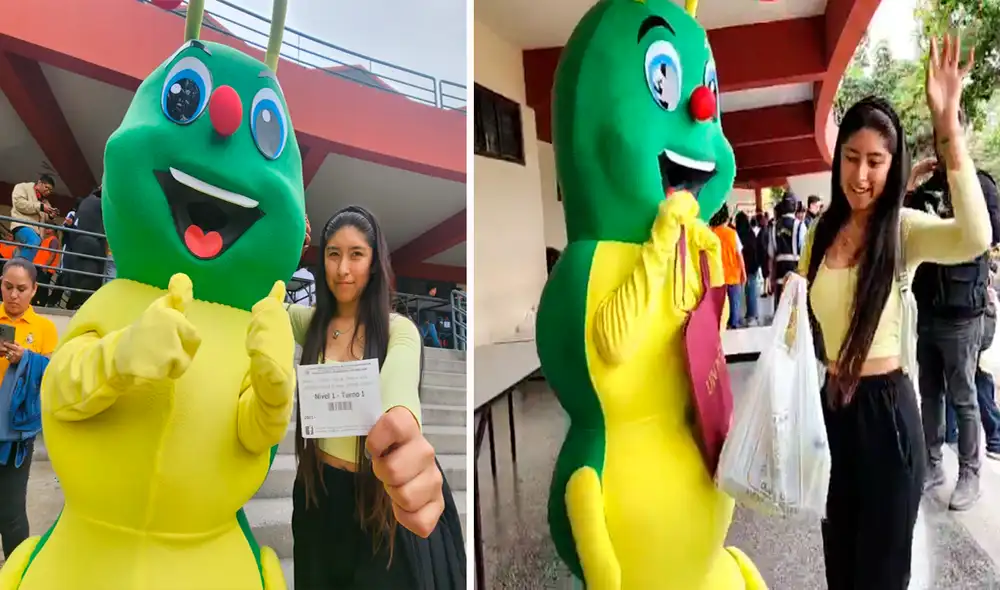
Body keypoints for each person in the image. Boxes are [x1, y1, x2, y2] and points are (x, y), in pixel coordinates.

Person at [795, 35, 987, 588]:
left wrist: (948, 128)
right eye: (851, 159)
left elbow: (975, 236)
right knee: (842, 569)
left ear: (893, 163)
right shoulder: (819, 233)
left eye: (876, 162)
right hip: (833, 413)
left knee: (880, 575)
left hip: (888, 417)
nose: (860, 176)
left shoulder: (902, 231)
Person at [289, 206, 465, 588]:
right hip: (318, 496)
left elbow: (399, 401)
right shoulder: (311, 323)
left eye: (356, 254)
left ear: (374, 263)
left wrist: (403, 431)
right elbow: (256, 303)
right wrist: (285, 244)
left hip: (379, 501)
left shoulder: (398, 330)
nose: (343, 269)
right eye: (333, 254)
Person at [906, 123, 1000, 508]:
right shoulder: (925, 190)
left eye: (949, 137)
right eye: (939, 139)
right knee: (929, 393)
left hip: (963, 311)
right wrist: (911, 185)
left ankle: (969, 473)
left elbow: (990, 232)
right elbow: (899, 224)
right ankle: (931, 465)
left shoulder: (981, 185)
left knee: (963, 396)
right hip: (927, 307)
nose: (943, 147)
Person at [0, 258, 58, 559]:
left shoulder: (44, 328)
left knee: (11, 512)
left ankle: (16, 569)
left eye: (21, 289)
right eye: (7, 287)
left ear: (34, 290)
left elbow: (50, 375)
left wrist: (25, 360)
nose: (13, 295)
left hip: (16, 436)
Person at [709, 204, 746, 329]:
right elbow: (739, 255)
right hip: (733, 275)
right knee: (734, 303)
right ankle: (733, 324)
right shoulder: (732, 233)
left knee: (719, 305)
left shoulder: (711, 233)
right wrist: (744, 273)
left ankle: (720, 326)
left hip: (717, 277)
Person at [769, 194, 807, 304]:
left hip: (780, 276)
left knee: (781, 311)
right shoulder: (800, 226)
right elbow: (805, 253)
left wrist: (771, 278)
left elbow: (771, 257)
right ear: (795, 207)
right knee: (795, 313)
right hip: (796, 275)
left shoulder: (774, 227)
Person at [10, 175, 58, 260]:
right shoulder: (22, 187)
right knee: (34, 241)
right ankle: (20, 267)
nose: (48, 192)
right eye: (47, 188)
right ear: (39, 183)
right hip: (21, 225)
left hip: (37, 233)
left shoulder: (45, 201)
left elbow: (45, 218)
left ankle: (13, 267)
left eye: (50, 190)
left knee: (21, 252)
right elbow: (19, 203)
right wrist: (40, 207)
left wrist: (51, 216)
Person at [734, 211, 762, 325]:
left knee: (738, 293)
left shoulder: (736, 234)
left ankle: (738, 316)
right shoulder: (751, 233)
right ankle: (752, 314)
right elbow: (756, 249)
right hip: (752, 266)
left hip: (740, 267)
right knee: (751, 291)